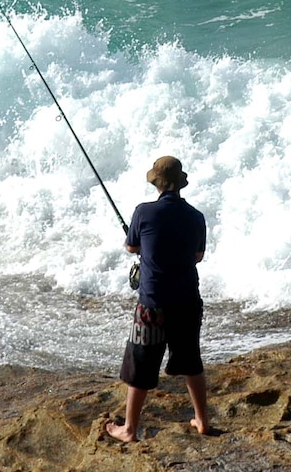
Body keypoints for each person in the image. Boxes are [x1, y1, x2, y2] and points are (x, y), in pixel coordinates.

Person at [106, 155, 209, 443]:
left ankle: (129, 429)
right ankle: (201, 420)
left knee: (140, 365)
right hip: (188, 301)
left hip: (152, 303)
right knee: (192, 362)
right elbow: (198, 256)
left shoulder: (144, 212)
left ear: (157, 183)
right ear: (180, 184)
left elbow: (131, 246)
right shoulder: (196, 216)